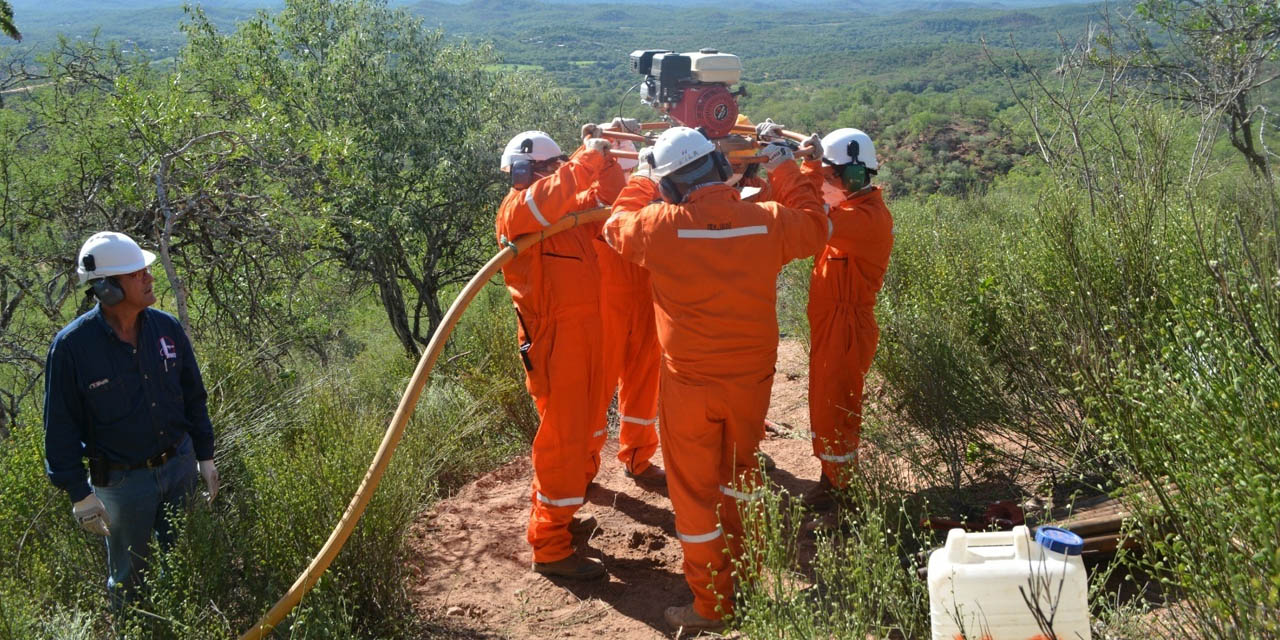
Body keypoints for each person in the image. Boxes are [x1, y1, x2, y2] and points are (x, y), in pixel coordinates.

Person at [603, 126, 829, 632]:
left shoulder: (658, 226)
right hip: (752, 380)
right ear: (722, 168)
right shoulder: (766, 221)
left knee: (694, 493)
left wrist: (640, 177)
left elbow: (614, 226)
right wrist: (785, 166)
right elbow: (817, 225)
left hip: (690, 384)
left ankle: (713, 604)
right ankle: (744, 574)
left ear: (668, 188)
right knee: (742, 473)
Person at [43, 231, 219, 607]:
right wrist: (80, 495)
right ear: (107, 289)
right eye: (138, 274)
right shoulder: (72, 348)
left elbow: (193, 396)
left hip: (179, 468)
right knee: (128, 582)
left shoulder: (167, 328)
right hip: (121, 484)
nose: (149, 278)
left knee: (186, 564)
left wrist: (205, 456)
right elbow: (59, 427)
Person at [496, 126, 624, 580]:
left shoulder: (567, 213)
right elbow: (538, 201)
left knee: (587, 431)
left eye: (528, 171)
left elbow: (612, 196)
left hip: (586, 340)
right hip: (555, 346)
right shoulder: (518, 212)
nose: (521, 180)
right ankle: (549, 546)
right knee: (563, 440)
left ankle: (563, 519)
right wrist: (582, 162)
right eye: (520, 173)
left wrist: (603, 158)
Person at [797, 128, 894, 509]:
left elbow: (812, 222)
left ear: (853, 176)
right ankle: (831, 479)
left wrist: (801, 172)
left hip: (847, 327)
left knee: (838, 407)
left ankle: (840, 492)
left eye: (829, 178)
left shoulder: (865, 219)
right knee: (826, 403)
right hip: (833, 325)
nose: (825, 185)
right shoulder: (850, 210)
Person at [589, 118, 665, 488]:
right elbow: (589, 168)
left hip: (646, 297)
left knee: (644, 380)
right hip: (609, 304)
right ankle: (582, 467)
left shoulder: (653, 190)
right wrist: (604, 137)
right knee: (597, 387)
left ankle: (638, 456)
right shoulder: (593, 195)